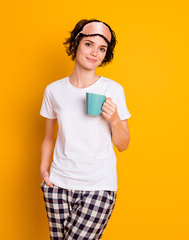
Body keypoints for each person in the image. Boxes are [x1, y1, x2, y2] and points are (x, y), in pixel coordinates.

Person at [39, 18, 131, 240]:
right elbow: (49, 137)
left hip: (99, 186)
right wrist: (44, 171)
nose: (94, 53)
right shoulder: (54, 91)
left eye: (102, 49)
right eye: (89, 44)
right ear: (76, 44)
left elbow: (123, 144)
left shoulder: (112, 89)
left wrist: (115, 119)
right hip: (58, 185)